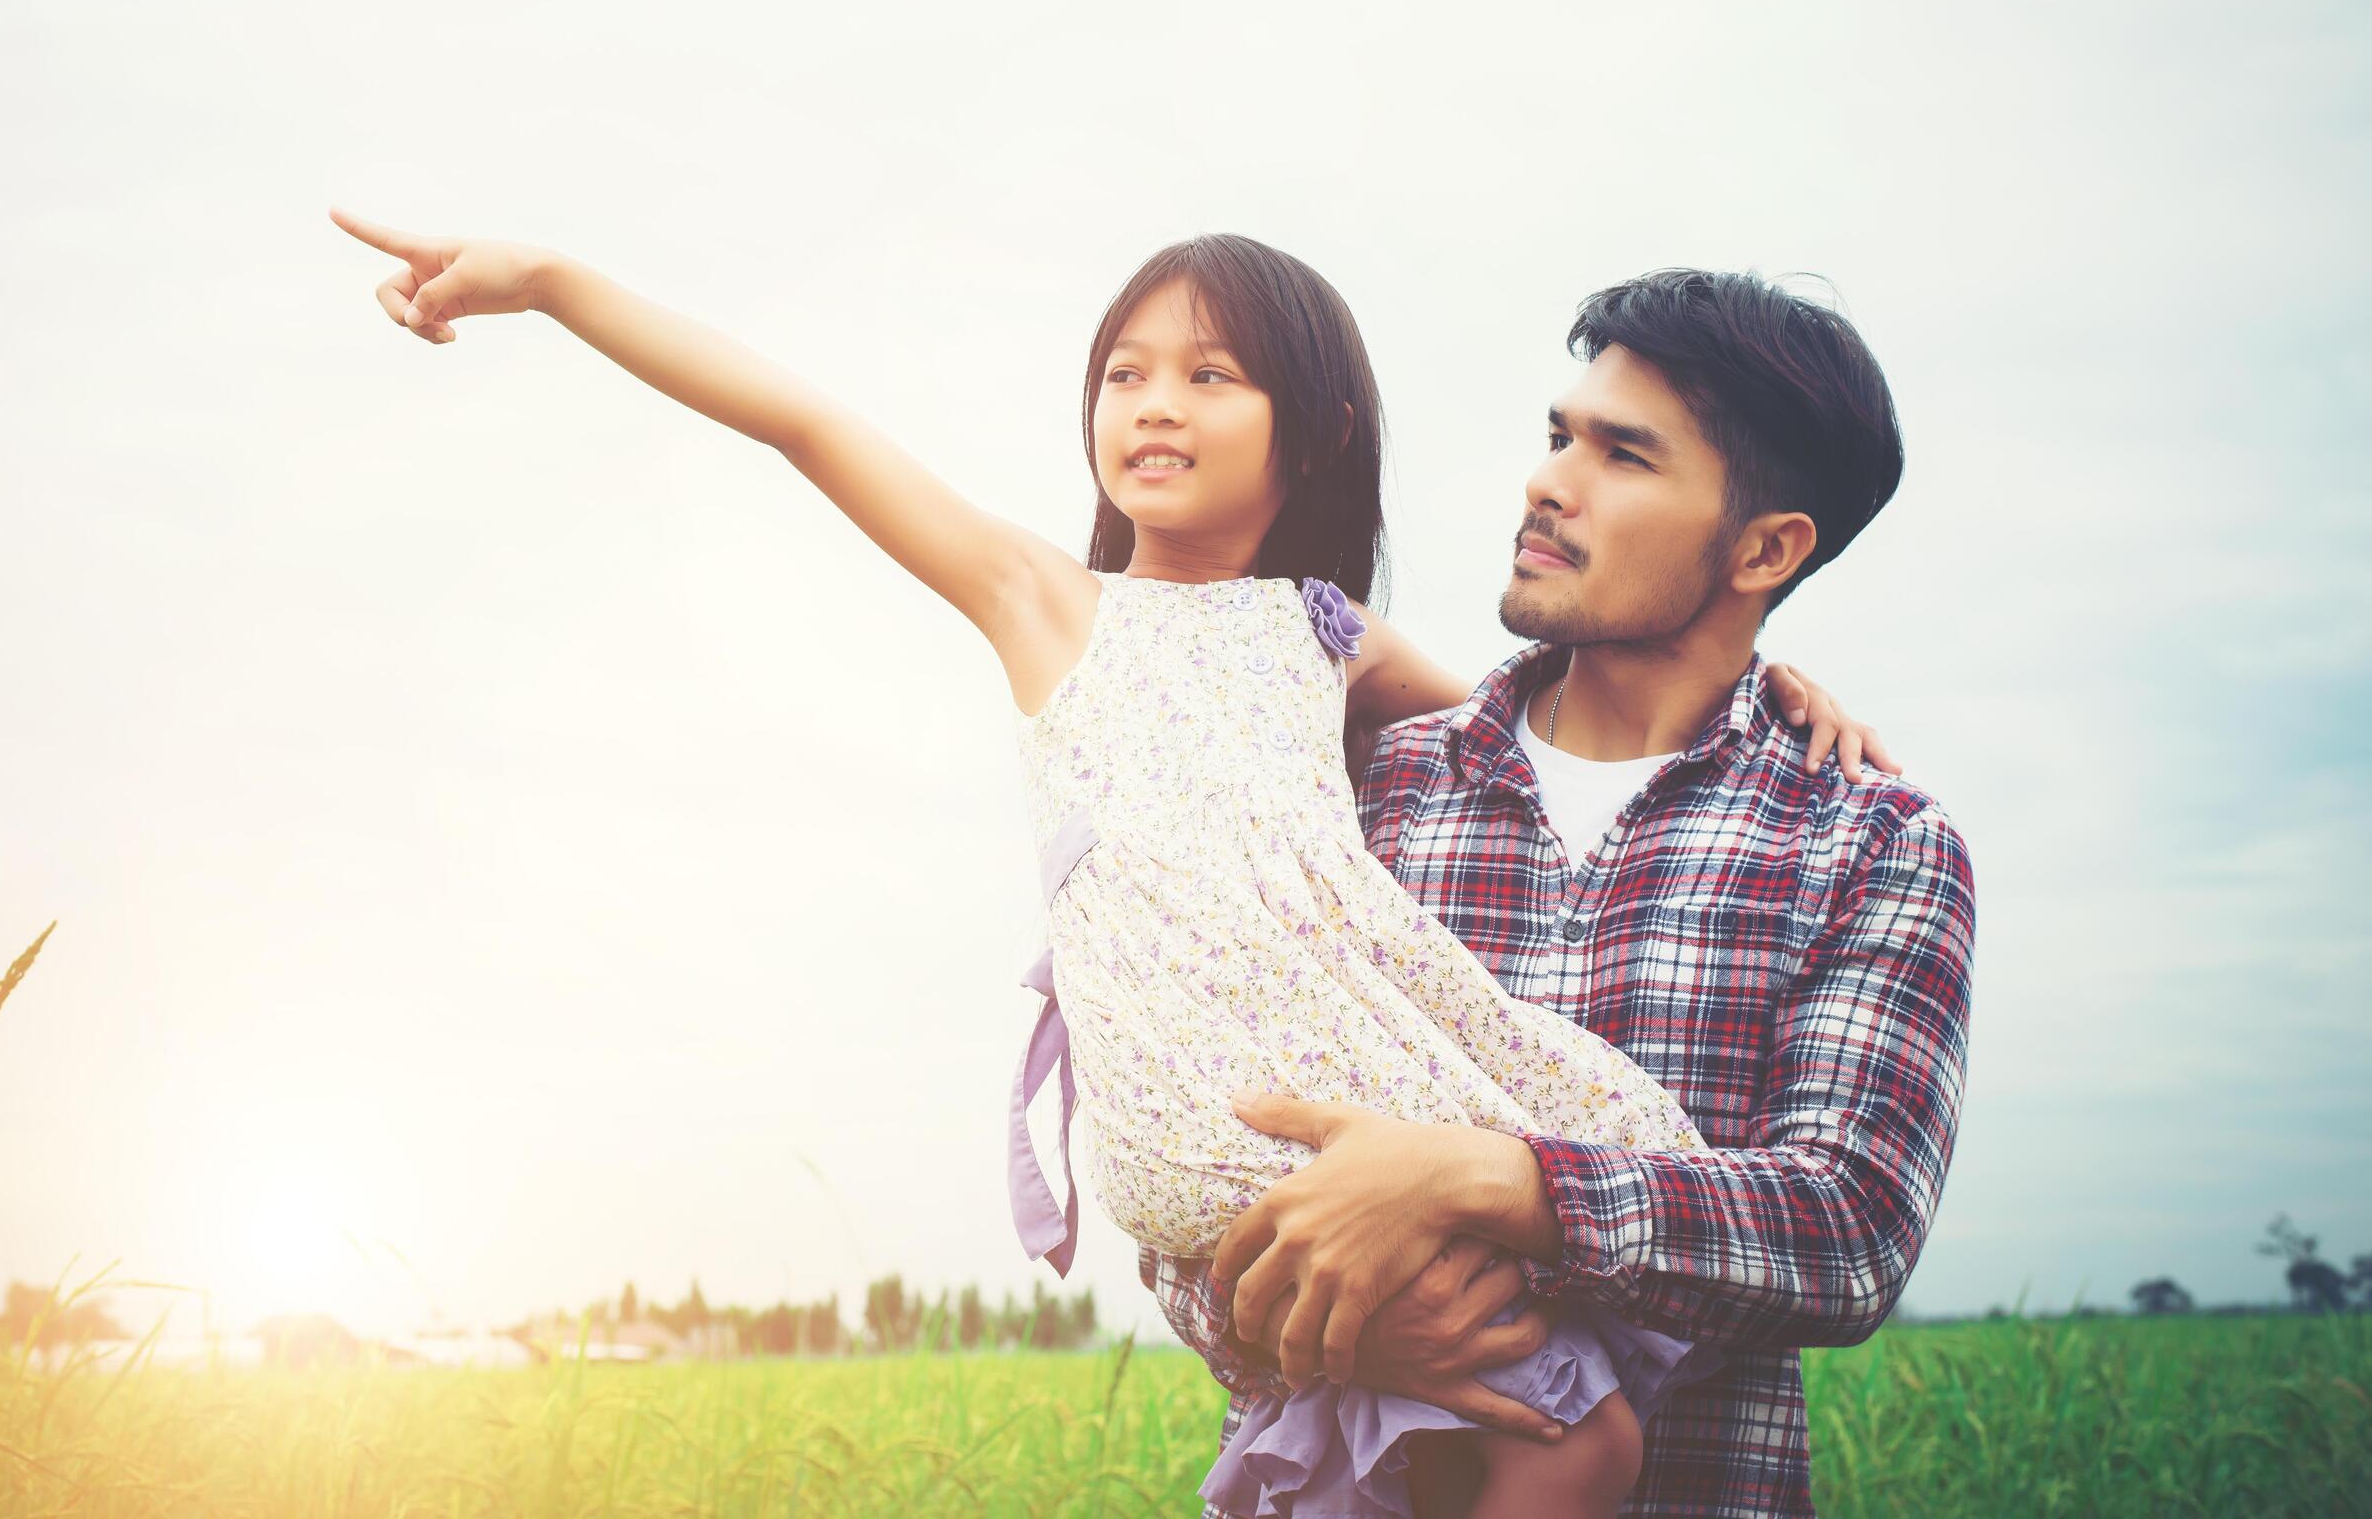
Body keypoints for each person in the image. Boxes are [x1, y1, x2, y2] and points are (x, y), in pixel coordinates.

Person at [329, 216, 1889, 1516]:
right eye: (1125, 372)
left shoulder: (1322, 637)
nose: (1155, 402)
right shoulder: (1047, 606)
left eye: (1212, 375)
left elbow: (1553, 708)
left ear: (1318, 429)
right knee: (1572, 1430)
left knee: (1571, 1440)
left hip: (1356, 1118)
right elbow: (802, 422)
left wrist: (1780, 681)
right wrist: (554, 287)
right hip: (1229, 1146)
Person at [1147, 268, 1975, 1519]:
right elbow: (1184, 1159)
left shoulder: (1869, 843)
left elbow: (1847, 1233)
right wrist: (1334, 1326)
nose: (1549, 480)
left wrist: (1482, 1179)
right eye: (1558, 434)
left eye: (1624, 455)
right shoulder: (1366, 791)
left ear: (1767, 547)